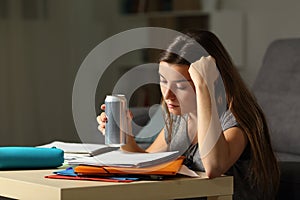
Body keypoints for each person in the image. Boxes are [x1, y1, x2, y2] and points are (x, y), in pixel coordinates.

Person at [97, 30, 279, 199]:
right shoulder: (179, 117)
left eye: (181, 85)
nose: (167, 94)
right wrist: (125, 136)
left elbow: (214, 167)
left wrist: (204, 86)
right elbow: (147, 161)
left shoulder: (235, 117)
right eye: (163, 80)